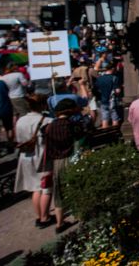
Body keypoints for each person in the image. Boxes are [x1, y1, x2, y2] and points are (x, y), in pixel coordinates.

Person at [42, 99, 84, 234]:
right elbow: (81, 141)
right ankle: (80, 216)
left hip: (56, 162)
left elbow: (47, 147)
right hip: (72, 159)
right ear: (70, 110)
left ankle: (59, 224)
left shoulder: (48, 127)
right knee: (76, 188)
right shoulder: (73, 125)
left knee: (58, 192)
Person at [13, 94, 54, 228]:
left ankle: (39, 216)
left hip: (26, 156)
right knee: (46, 188)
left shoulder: (20, 120)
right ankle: (45, 217)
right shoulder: (47, 120)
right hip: (42, 157)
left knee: (35, 188)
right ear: (43, 105)